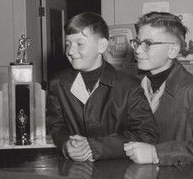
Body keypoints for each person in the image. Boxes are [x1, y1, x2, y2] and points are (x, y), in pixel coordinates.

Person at [46, 12, 158, 162]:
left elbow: (147, 135)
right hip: (74, 170)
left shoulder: (129, 86)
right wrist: (66, 145)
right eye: (68, 44)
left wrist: (97, 146)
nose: (71, 51)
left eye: (79, 44)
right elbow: (55, 126)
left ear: (102, 46)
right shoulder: (57, 83)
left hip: (118, 170)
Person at [124, 11, 193, 166]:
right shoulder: (131, 85)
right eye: (137, 42)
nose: (138, 50)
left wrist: (156, 153)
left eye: (147, 44)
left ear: (173, 50)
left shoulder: (190, 90)